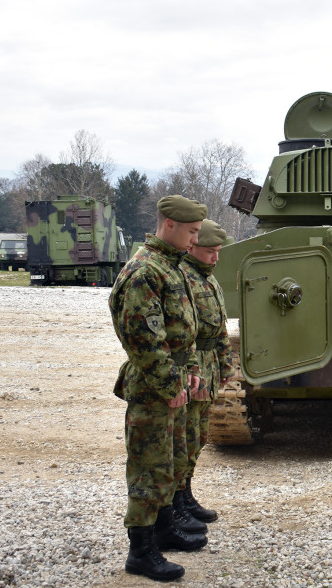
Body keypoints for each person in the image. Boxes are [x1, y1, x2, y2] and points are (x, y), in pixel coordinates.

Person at [109, 195, 209, 581]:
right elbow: (144, 339)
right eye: (192, 231)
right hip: (153, 386)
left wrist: (193, 368)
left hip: (173, 381)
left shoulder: (171, 265)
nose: (195, 239)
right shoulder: (145, 271)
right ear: (169, 224)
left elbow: (185, 328)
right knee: (148, 469)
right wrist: (170, 383)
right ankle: (140, 551)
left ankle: (164, 529)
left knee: (169, 463)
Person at [174, 219, 237, 526]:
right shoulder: (183, 277)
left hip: (208, 365)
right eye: (210, 251)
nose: (216, 257)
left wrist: (225, 365)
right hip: (192, 366)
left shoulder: (207, 279)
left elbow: (219, 327)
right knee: (183, 437)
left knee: (197, 436)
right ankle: (176, 501)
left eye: (218, 251)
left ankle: (186, 494)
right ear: (193, 248)